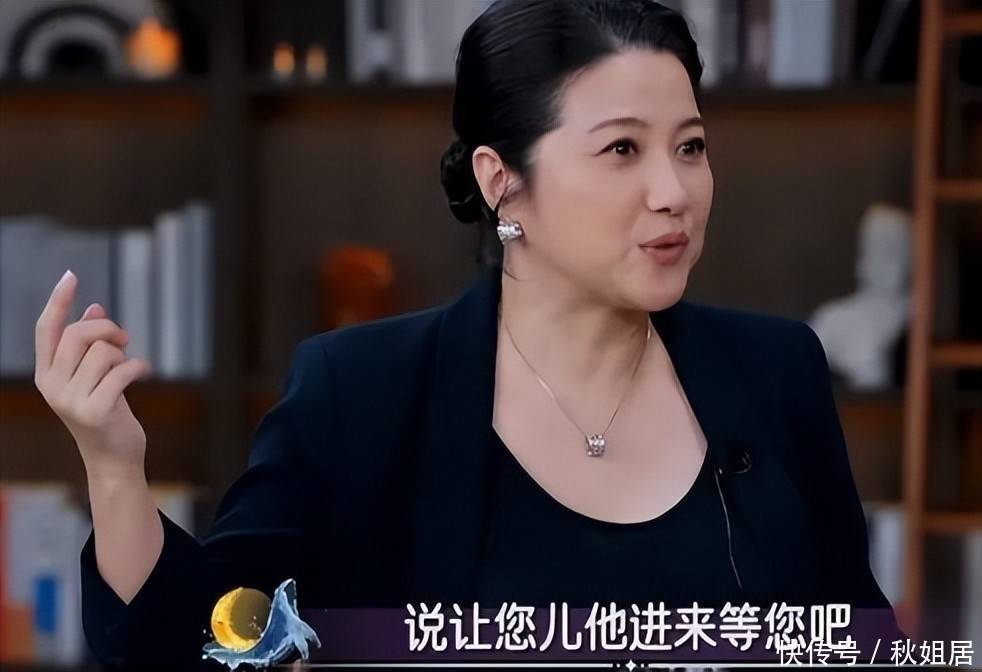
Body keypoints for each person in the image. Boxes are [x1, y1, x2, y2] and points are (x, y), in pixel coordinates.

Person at [32, 1, 905, 669]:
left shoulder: (773, 370)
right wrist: (113, 469)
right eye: (622, 151)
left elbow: (858, 642)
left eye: (691, 147)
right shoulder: (363, 391)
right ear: (500, 180)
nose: (674, 192)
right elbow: (218, 641)